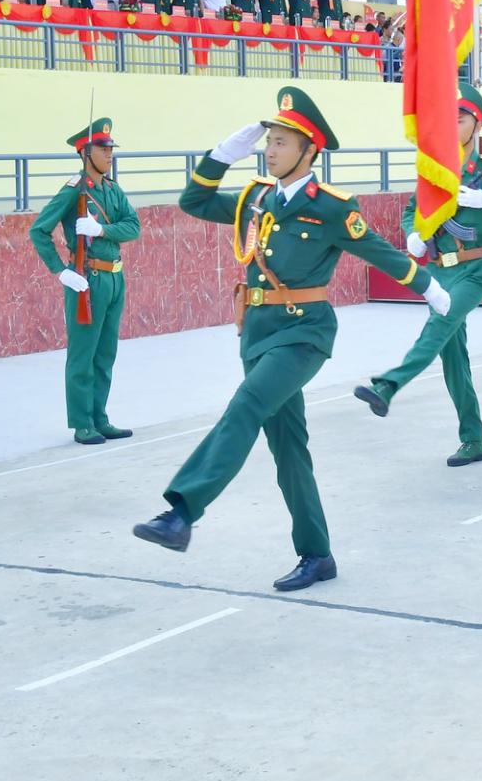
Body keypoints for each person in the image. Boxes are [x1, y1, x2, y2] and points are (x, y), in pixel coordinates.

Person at [132, 87, 450, 591]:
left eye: (282, 142)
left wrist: (427, 285)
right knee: (289, 449)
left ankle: (182, 512)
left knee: (245, 406)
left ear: (310, 151)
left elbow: (377, 250)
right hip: (256, 332)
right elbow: (192, 201)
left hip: (304, 333)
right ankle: (317, 555)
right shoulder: (256, 197)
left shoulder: (330, 208)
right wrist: (221, 156)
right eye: (270, 140)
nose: (271, 149)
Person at [354, 82, 482, 465]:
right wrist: (412, 234)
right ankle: (473, 440)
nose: (450, 126)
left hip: (475, 268)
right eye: (446, 120)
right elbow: (413, 207)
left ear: (476, 126)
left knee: (439, 327)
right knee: (454, 360)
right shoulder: (435, 170)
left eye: (458, 120)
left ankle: (389, 385)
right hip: (440, 271)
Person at [29, 116, 141, 444]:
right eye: (102, 148)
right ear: (85, 153)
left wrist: (102, 229)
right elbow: (39, 230)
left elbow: (134, 226)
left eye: (110, 148)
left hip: (114, 279)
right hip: (86, 280)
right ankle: (82, 423)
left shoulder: (112, 190)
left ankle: (100, 417)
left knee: (105, 354)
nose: (110, 154)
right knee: (83, 356)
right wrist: (60, 271)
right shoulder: (73, 191)